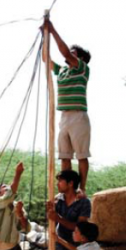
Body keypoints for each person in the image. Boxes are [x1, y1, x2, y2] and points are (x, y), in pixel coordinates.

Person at [42, 19, 91, 194]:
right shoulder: (63, 70)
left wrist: (52, 30)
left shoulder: (82, 68)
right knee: (64, 156)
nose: (68, 54)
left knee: (82, 155)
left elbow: (63, 51)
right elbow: (46, 59)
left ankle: (82, 188)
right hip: (64, 117)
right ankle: (66, 188)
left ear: (81, 58)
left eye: (73, 53)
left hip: (78, 116)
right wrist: (44, 36)